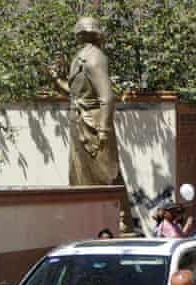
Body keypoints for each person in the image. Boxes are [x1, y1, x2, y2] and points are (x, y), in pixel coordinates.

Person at [50, 17, 122, 186]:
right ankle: (83, 207)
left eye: (81, 33)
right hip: (79, 120)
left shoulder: (95, 58)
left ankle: (113, 210)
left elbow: (106, 97)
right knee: (79, 172)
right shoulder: (81, 56)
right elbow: (75, 93)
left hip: (93, 125)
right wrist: (56, 79)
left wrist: (103, 130)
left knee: (103, 172)